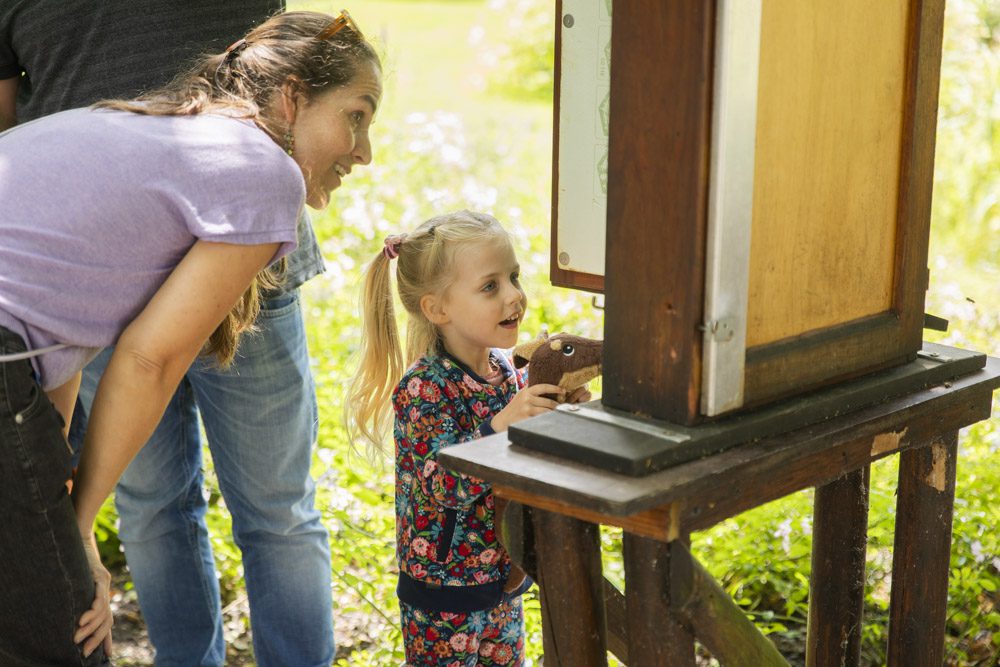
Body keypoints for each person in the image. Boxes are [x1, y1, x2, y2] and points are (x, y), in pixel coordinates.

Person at [0, 10, 381, 665]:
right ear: (292, 98)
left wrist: (67, 510)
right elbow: (150, 359)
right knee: (69, 630)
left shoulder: (162, 133)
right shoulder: (263, 170)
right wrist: (80, 524)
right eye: (356, 115)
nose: (365, 151)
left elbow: (53, 344)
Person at [347, 210, 590, 665]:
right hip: (444, 592)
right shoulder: (425, 388)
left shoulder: (508, 372)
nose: (515, 295)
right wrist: (500, 426)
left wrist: (560, 414)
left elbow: (527, 457)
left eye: (514, 277)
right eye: (490, 286)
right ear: (438, 309)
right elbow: (442, 484)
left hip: (506, 577)